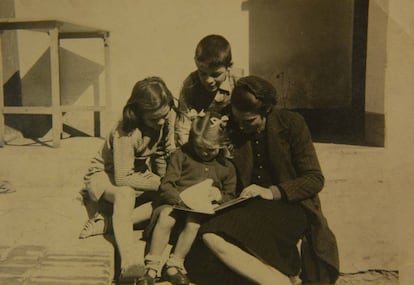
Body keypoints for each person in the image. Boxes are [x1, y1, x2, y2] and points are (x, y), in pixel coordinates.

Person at [197, 76, 339, 285]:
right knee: (209, 235)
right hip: (248, 206)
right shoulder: (232, 127)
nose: (242, 126)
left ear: (266, 112)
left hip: (290, 207)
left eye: (249, 121)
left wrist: (272, 192)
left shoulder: (291, 124)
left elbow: (314, 179)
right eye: (238, 119)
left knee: (219, 237)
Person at [80, 77, 176, 284]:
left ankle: (106, 224)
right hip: (105, 175)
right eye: (154, 119)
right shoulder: (126, 132)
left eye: (164, 116)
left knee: (169, 198)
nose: (161, 122)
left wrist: (166, 181)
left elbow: (161, 154)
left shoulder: (166, 118)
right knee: (126, 194)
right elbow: (123, 178)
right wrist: (159, 184)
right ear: (138, 113)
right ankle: (128, 261)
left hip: (138, 174)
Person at [139, 112, 237, 285]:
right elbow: (166, 185)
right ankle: (151, 268)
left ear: (221, 146)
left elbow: (231, 196)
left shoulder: (226, 167)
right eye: (199, 148)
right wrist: (178, 200)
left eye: (211, 150)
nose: (204, 154)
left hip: (200, 213)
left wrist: (219, 196)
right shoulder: (182, 155)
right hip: (175, 205)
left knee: (194, 220)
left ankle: (174, 265)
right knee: (167, 216)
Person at [175, 34, 242, 146]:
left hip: (230, 139)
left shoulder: (238, 82)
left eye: (216, 74)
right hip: (200, 143)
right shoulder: (190, 85)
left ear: (229, 66)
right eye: (203, 73)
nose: (208, 80)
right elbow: (183, 125)